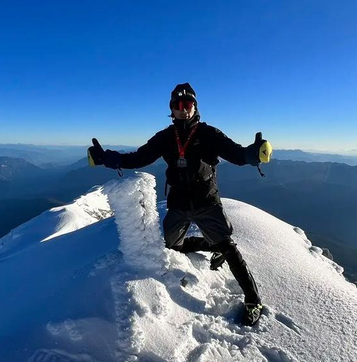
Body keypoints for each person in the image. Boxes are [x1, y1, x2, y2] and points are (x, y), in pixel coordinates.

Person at [88, 83, 272, 325]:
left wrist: (253, 154)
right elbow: (138, 157)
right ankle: (210, 246)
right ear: (171, 109)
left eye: (188, 104)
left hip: (207, 201)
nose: (183, 109)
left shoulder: (208, 134)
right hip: (179, 203)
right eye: (177, 105)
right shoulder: (165, 138)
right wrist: (106, 158)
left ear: (195, 106)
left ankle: (253, 299)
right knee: (170, 246)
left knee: (228, 247)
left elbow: (236, 154)